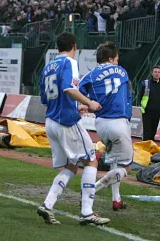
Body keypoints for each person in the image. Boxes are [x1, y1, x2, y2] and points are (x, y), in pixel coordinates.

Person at [37, 32, 110, 226]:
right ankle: (86, 212)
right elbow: (69, 89)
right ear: (75, 47)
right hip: (65, 121)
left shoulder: (48, 67)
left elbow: (46, 98)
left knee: (71, 165)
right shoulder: (69, 63)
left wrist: (77, 106)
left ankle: (48, 204)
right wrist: (89, 102)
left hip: (51, 121)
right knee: (91, 161)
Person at [79, 41, 133, 211]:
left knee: (114, 163)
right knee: (127, 168)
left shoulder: (90, 75)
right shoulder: (122, 72)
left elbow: (78, 91)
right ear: (111, 58)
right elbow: (127, 95)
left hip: (100, 123)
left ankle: (116, 199)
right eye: (116, 59)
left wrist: (86, 104)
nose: (117, 62)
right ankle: (91, 189)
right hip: (118, 122)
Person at [138, 65, 160, 141]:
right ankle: (145, 150)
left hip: (157, 112)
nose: (157, 74)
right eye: (155, 72)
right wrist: (142, 106)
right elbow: (140, 96)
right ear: (152, 73)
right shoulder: (145, 83)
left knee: (153, 132)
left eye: (158, 72)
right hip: (147, 112)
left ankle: (151, 150)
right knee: (147, 132)